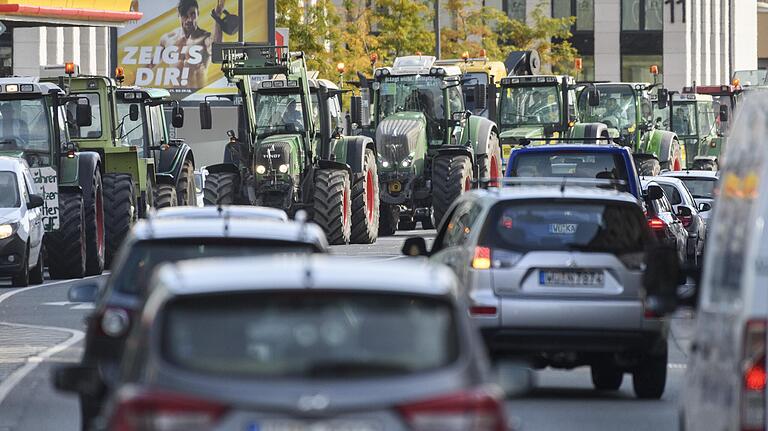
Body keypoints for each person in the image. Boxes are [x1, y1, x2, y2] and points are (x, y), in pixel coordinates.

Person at [156, 0, 225, 89]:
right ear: (179, 16)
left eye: (193, 14)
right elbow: (150, 65)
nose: (189, 20)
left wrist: (217, 16)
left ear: (198, 13)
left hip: (197, 96)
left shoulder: (204, 38)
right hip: (172, 97)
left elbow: (217, 49)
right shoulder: (168, 39)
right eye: (185, 16)